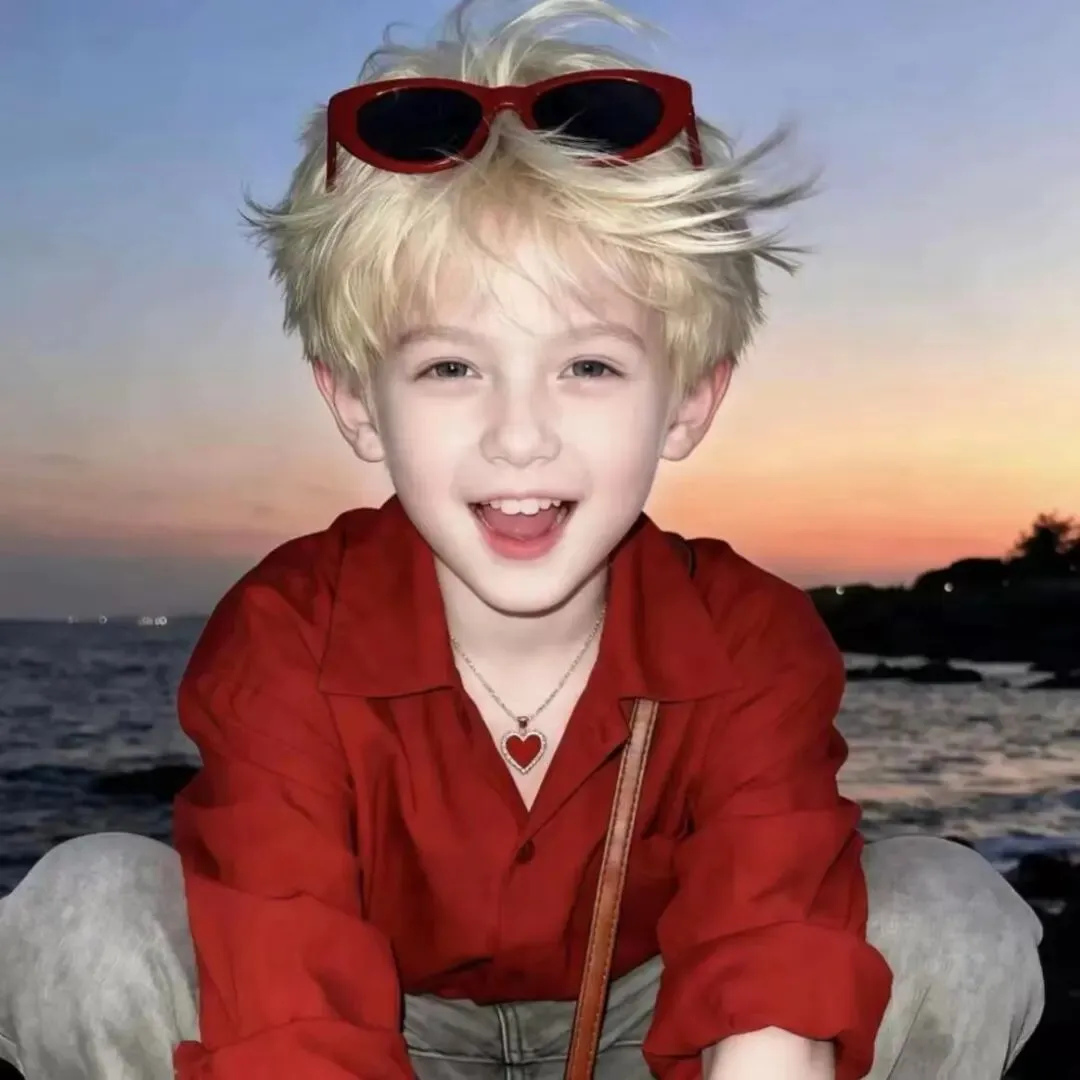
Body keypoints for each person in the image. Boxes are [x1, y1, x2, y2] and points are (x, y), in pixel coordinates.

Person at [0, 1, 1044, 1078]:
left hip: (657, 1020)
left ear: (688, 401)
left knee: (952, 914)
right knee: (83, 908)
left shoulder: (750, 634)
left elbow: (767, 953)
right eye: (450, 367)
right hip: (378, 1017)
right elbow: (291, 994)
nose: (518, 435)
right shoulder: (285, 630)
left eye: (589, 366)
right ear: (357, 403)